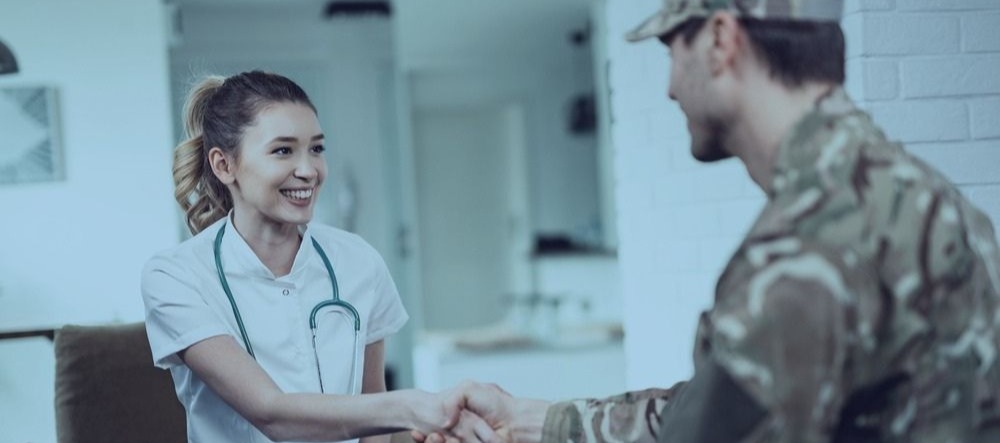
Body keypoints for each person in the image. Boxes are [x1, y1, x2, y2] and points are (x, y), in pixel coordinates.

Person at [416, 0, 1000, 442]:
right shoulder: (924, 197)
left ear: (721, 38)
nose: (669, 87)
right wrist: (534, 422)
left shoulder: (803, 252)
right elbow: (717, 409)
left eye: (673, 49)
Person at [141, 70, 499, 443]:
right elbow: (270, 413)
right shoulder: (175, 277)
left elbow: (374, 425)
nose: (309, 170)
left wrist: (437, 431)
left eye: (316, 148)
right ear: (224, 165)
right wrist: (416, 407)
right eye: (283, 150)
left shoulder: (359, 262)